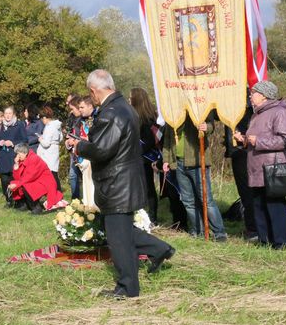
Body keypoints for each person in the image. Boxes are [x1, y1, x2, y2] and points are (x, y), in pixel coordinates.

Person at [68, 70, 175, 299]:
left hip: (117, 183)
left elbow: (101, 150)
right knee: (121, 231)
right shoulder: (124, 108)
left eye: (91, 94)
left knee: (118, 238)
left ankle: (128, 288)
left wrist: (79, 146)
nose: (92, 97)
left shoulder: (111, 112)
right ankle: (159, 249)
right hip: (125, 179)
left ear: (94, 91)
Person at [233, 81, 286, 249]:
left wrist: (257, 140)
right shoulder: (256, 114)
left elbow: (285, 140)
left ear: (264, 95)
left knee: (275, 205)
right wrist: (244, 139)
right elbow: (253, 140)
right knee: (258, 205)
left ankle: (281, 242)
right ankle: (264, 240)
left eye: (253, 93)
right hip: (256, 167)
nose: (250, 96)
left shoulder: (280, 113)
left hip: (273, 168)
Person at [162, 114, 227, 242]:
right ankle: (197, 230)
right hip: (179, 163)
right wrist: (166, 159)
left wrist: (206, 127)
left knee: (206, 200)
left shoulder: (197, 107)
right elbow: (168, 139)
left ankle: (219, 233)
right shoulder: (173, 112)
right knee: (188, 201)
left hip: (197, 162)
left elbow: (211, 125)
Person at [225, 100, 257, 241]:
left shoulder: (250, 104)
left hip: (245, 151)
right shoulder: (231, 100)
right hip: (238, 152)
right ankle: (252, 227)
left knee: (250, 191)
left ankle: (254, 229)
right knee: (245, 192)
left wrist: (243, 138)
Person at [129, 87, 160, 224]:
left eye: (130, 98)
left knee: (148, 188)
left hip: (145, 159)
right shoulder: (135, 116)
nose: (128, 100)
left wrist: (135, 150)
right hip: (137, 158)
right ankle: (141, 215)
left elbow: (149, 142)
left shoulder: (147, 118)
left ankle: (152, 218)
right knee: (139, 188)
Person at [8, 143, 66, 214]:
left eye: (19, 153)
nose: (17, 156)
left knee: (26, 186)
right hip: (36, 181)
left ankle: (36, 207)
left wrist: (17, 184)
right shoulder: (22, 160)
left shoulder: (34, 159)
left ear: (25, 153)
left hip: (45, 183)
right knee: (15, 183)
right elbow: (18, 178)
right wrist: (16, 165)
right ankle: (25, 204)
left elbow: (30, 177)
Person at [0, 106, 27, 207]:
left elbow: (25, 140)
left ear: (13, 114)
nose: (8, 115)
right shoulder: (0, 126)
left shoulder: (19, 125)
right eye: (6, 113)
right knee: (4, 180)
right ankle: (9, 200)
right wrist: (0, 142)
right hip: (2, 156)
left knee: (15, 178)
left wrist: (12, 143)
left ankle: (19, 200)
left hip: (14, 156)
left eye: (10, 113)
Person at [76, 96, 97, 208]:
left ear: (90, 106)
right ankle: (89, 207)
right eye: (79, 107)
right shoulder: (81, 120)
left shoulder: (97, 118)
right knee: (87, 185)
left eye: (82, 107)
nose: (80, 110)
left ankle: (94, 208)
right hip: (85, 157)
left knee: (93, 185)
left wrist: (86, 140)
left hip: (94, 156)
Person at [36, 106, 63, 191]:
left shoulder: (49, 127)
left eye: (42, 119)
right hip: (54, 151)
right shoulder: (57, 125)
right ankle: (57, 194)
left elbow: (46, 143)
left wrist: (40, 139)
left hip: (48, 154)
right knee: (54, 173)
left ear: (44, 118)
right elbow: (61, 138)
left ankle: (57, 194)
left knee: (51, 175)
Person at [65, 95, 83, 200]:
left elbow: (85, 136)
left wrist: (75, 141)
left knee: (84, 177)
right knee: (72, 175)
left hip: (82, 152)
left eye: (73, 109)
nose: (72, 111)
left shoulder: (84, 120)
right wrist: (68, 141)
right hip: (74, 152)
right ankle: (75, 199)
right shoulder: (74, 119)